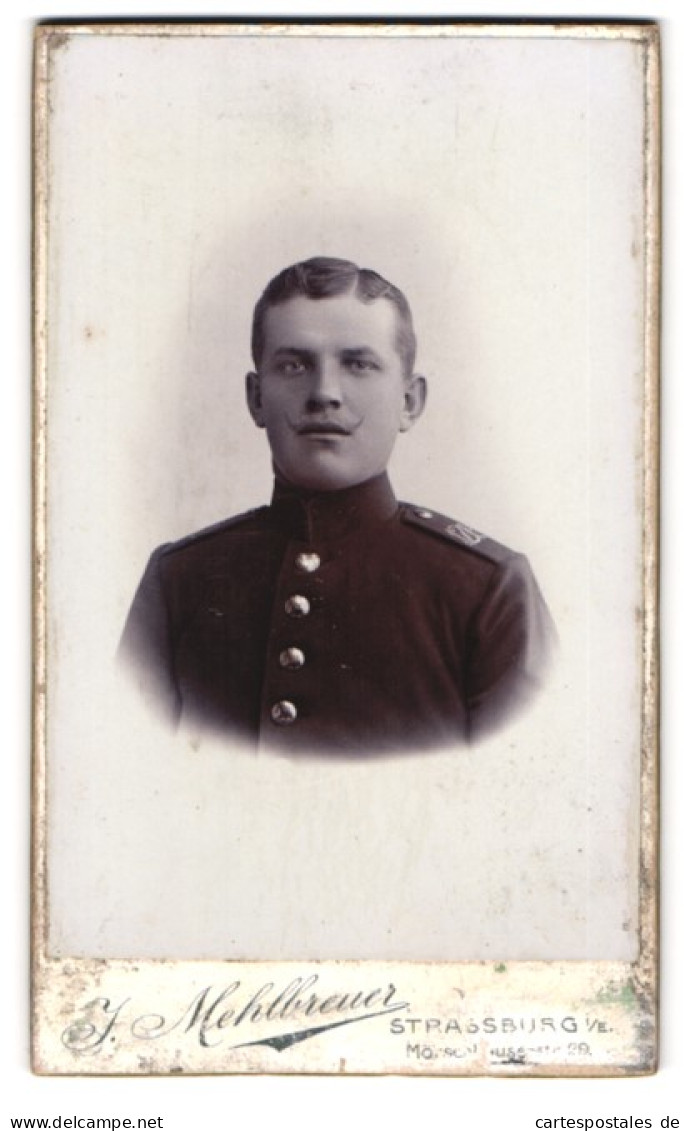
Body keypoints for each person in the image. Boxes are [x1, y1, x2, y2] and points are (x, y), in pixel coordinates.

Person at [120, 256, 556, 753]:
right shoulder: (179, 580)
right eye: (293, 365)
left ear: (410, 401)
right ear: (256, 398)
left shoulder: (487, 590)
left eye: (359, 364)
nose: (324, 393)